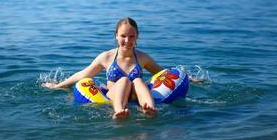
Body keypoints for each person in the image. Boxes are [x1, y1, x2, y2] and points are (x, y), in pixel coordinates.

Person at [43, 17, 199, 119]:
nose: (127, 40)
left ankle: (149, 109)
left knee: (137, 80)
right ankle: (118, 111)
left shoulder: (142, 57)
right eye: (123, 36)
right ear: (116, 36)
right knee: (124, 80)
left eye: (131, 36)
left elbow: (161, 73)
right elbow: (82, 74)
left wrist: (189, 78)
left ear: (137, 36)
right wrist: (57, 86)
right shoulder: (106, 57)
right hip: (113, 95)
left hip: (137, 97)